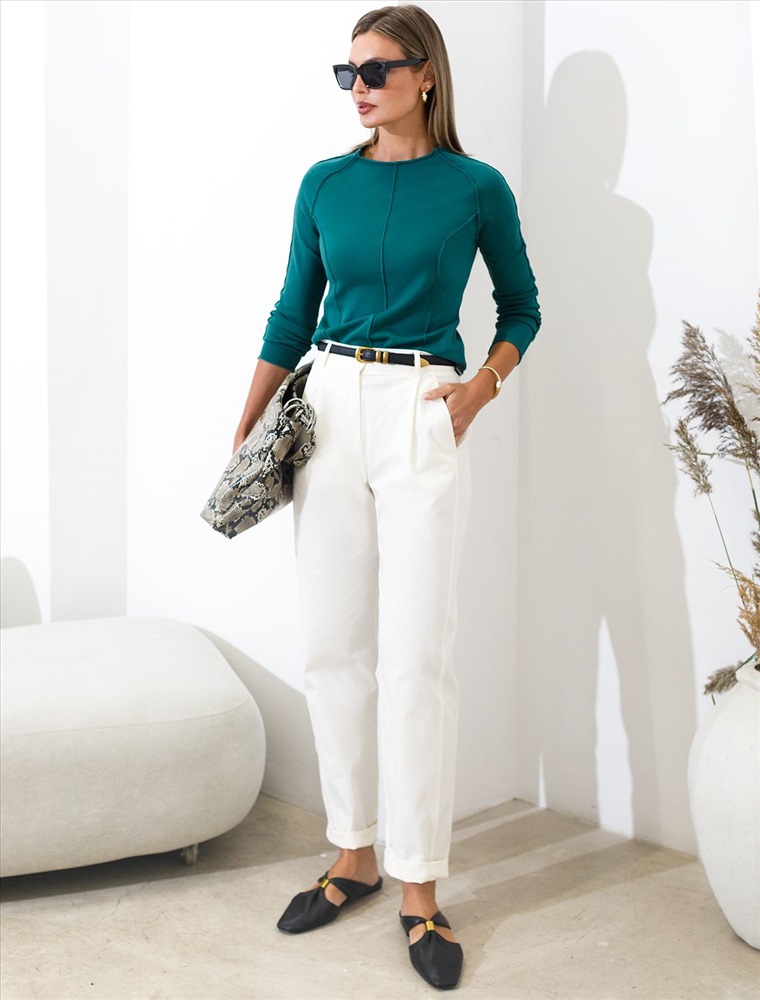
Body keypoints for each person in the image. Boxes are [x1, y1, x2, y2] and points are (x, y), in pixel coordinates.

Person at [233, 5, 540, 990]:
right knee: (334, 647)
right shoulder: (324, 183)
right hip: (326, 403)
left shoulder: (476, 187)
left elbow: (523, 306)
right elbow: (292, 310)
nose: (357, 87)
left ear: (425, 75)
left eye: (375, 69)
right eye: (347, 72)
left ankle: (419, 885)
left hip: (422, 408)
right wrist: (247, 425)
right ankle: (353, 853)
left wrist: (481, 388)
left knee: (417, 658)